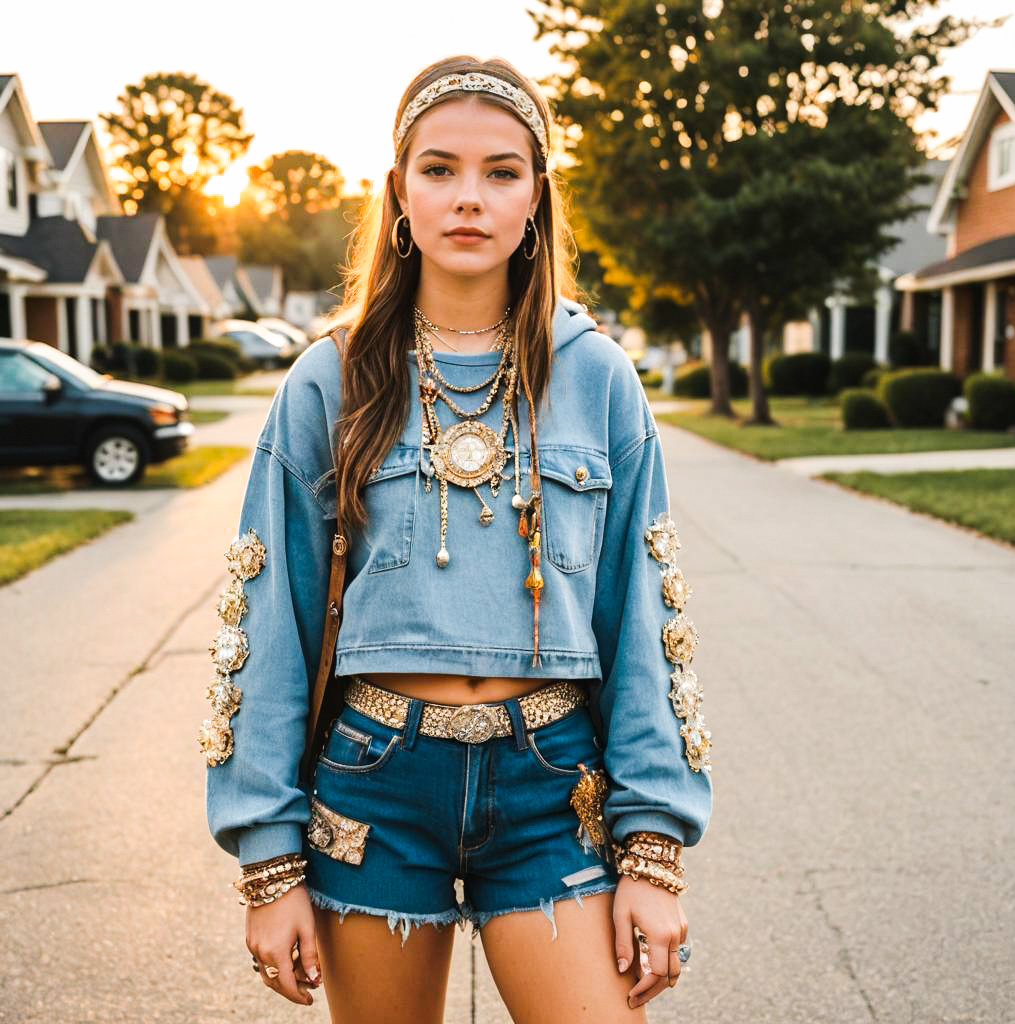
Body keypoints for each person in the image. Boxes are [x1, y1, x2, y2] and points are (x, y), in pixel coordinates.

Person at [200, 55, 712, 1023]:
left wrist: (653, 851)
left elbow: (647, 620)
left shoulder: (598, 376)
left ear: (536, 195)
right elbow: (269, 619)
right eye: (438, 170)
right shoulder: (328, 378)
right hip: (373, 790)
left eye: (500, 171)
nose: (467, 197)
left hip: (553, 789)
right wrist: (268, 860)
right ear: (398, 192)